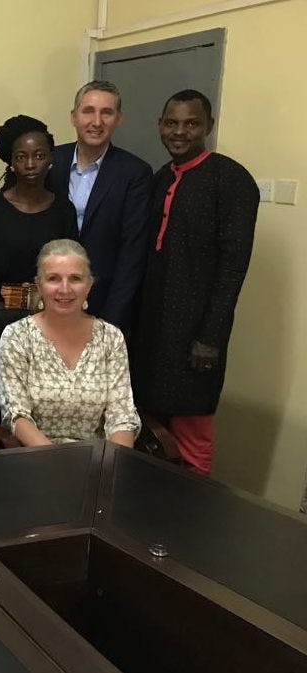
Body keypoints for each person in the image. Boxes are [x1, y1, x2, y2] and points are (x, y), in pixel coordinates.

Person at [131, 89, 258, 475]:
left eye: (191, 123)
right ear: (159, 125)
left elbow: (234, 266)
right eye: (172, 123)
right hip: (153, 328)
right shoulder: (160, 178)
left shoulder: (231, 181)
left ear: (208, 127)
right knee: (152, 431)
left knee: (192, 430)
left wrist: (211, 336)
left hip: (196, 335)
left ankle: (191, 517)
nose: (180, 132)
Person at [0, 239, 140, 447]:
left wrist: (113, 465)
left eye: (75, 279)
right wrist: (60, 465)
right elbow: (16, 415)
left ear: (89, 286)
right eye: (53, 279)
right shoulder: (17, 336)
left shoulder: (111, 338)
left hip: (97, 462)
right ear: (39, 286)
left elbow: (122, 417)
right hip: (38, 459)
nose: (65, 289)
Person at [48, 81, 152, 330]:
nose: (97, 121)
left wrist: (110, 321)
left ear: (118, 119)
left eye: (106, 112)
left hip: (105, 304)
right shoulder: (50, 161)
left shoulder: (135, 173)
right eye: (88, 111)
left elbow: (132, 253)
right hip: (49, 298)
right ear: (73, 117)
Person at [0, 115, 77, 312]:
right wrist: (1, 319)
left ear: (51, 158)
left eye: (39, 156)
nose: (30, 164)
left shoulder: (64, 210)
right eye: (21, 157)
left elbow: (71, 268)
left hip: (53, 312)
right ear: (11, 161)